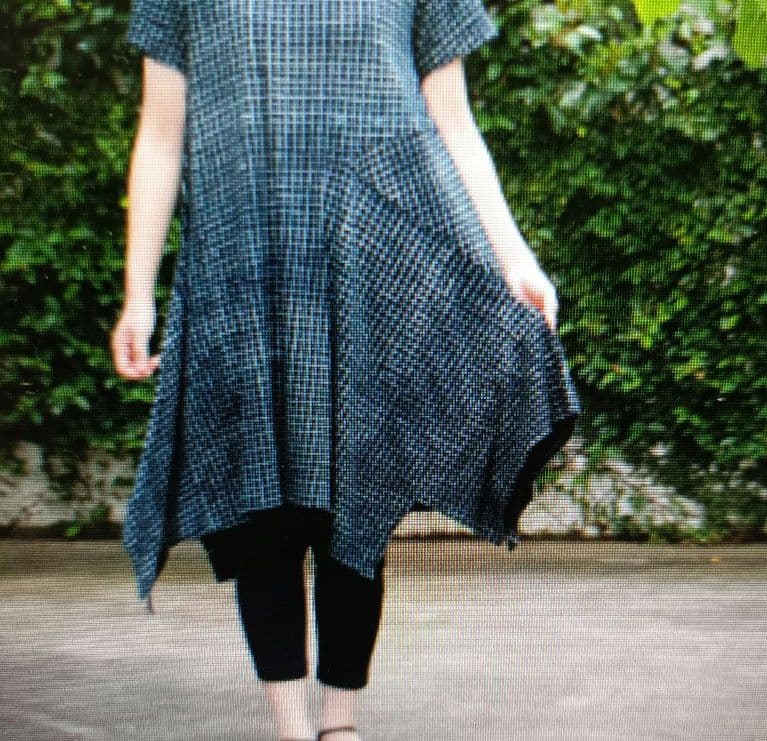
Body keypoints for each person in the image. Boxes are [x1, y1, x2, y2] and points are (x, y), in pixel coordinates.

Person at [111, 1, 578, 739]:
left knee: (356, 500)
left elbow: (453, 123)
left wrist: (512, 254)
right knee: (259, 508)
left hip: (367, 262)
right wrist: (138, 293)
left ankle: (340, 725)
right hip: (243, 270)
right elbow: (162, 133)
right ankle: (293, 729)